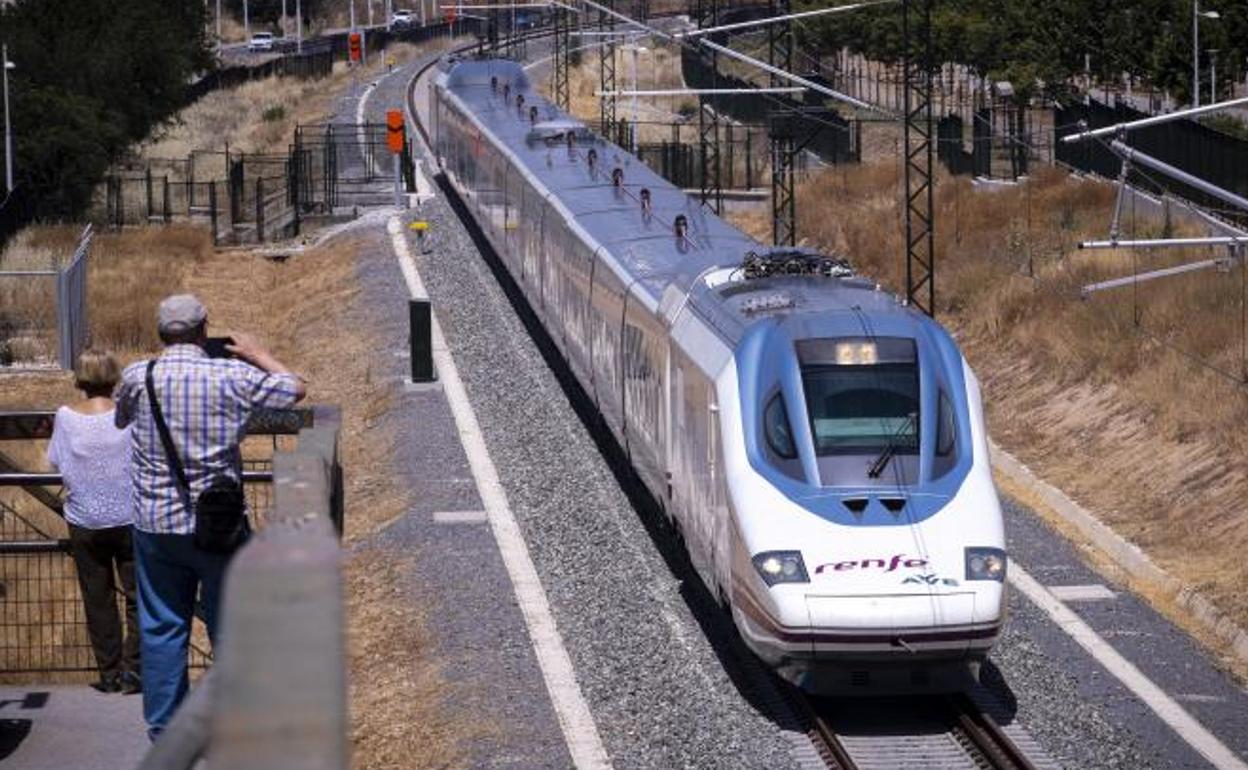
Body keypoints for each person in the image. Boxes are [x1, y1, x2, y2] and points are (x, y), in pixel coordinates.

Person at [114, 294, 306, 740]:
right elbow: (295, 389)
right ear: (204, 330)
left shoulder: (138, 376)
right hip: (219, 524)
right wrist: (257, 352)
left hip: (156, 523)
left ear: (161, 334)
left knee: (162, 625)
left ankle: (166, 731)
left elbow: (122, 420)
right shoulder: (231, 374)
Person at [47, 349, 140, 695]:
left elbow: (53, 461)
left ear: (80, 378)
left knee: (97, 599)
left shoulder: (66, 417)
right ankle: (136, 670)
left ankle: (109, 672)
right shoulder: (129, 414)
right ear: (114, 376)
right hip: (130, 516)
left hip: (85, 519)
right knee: (138, 596)